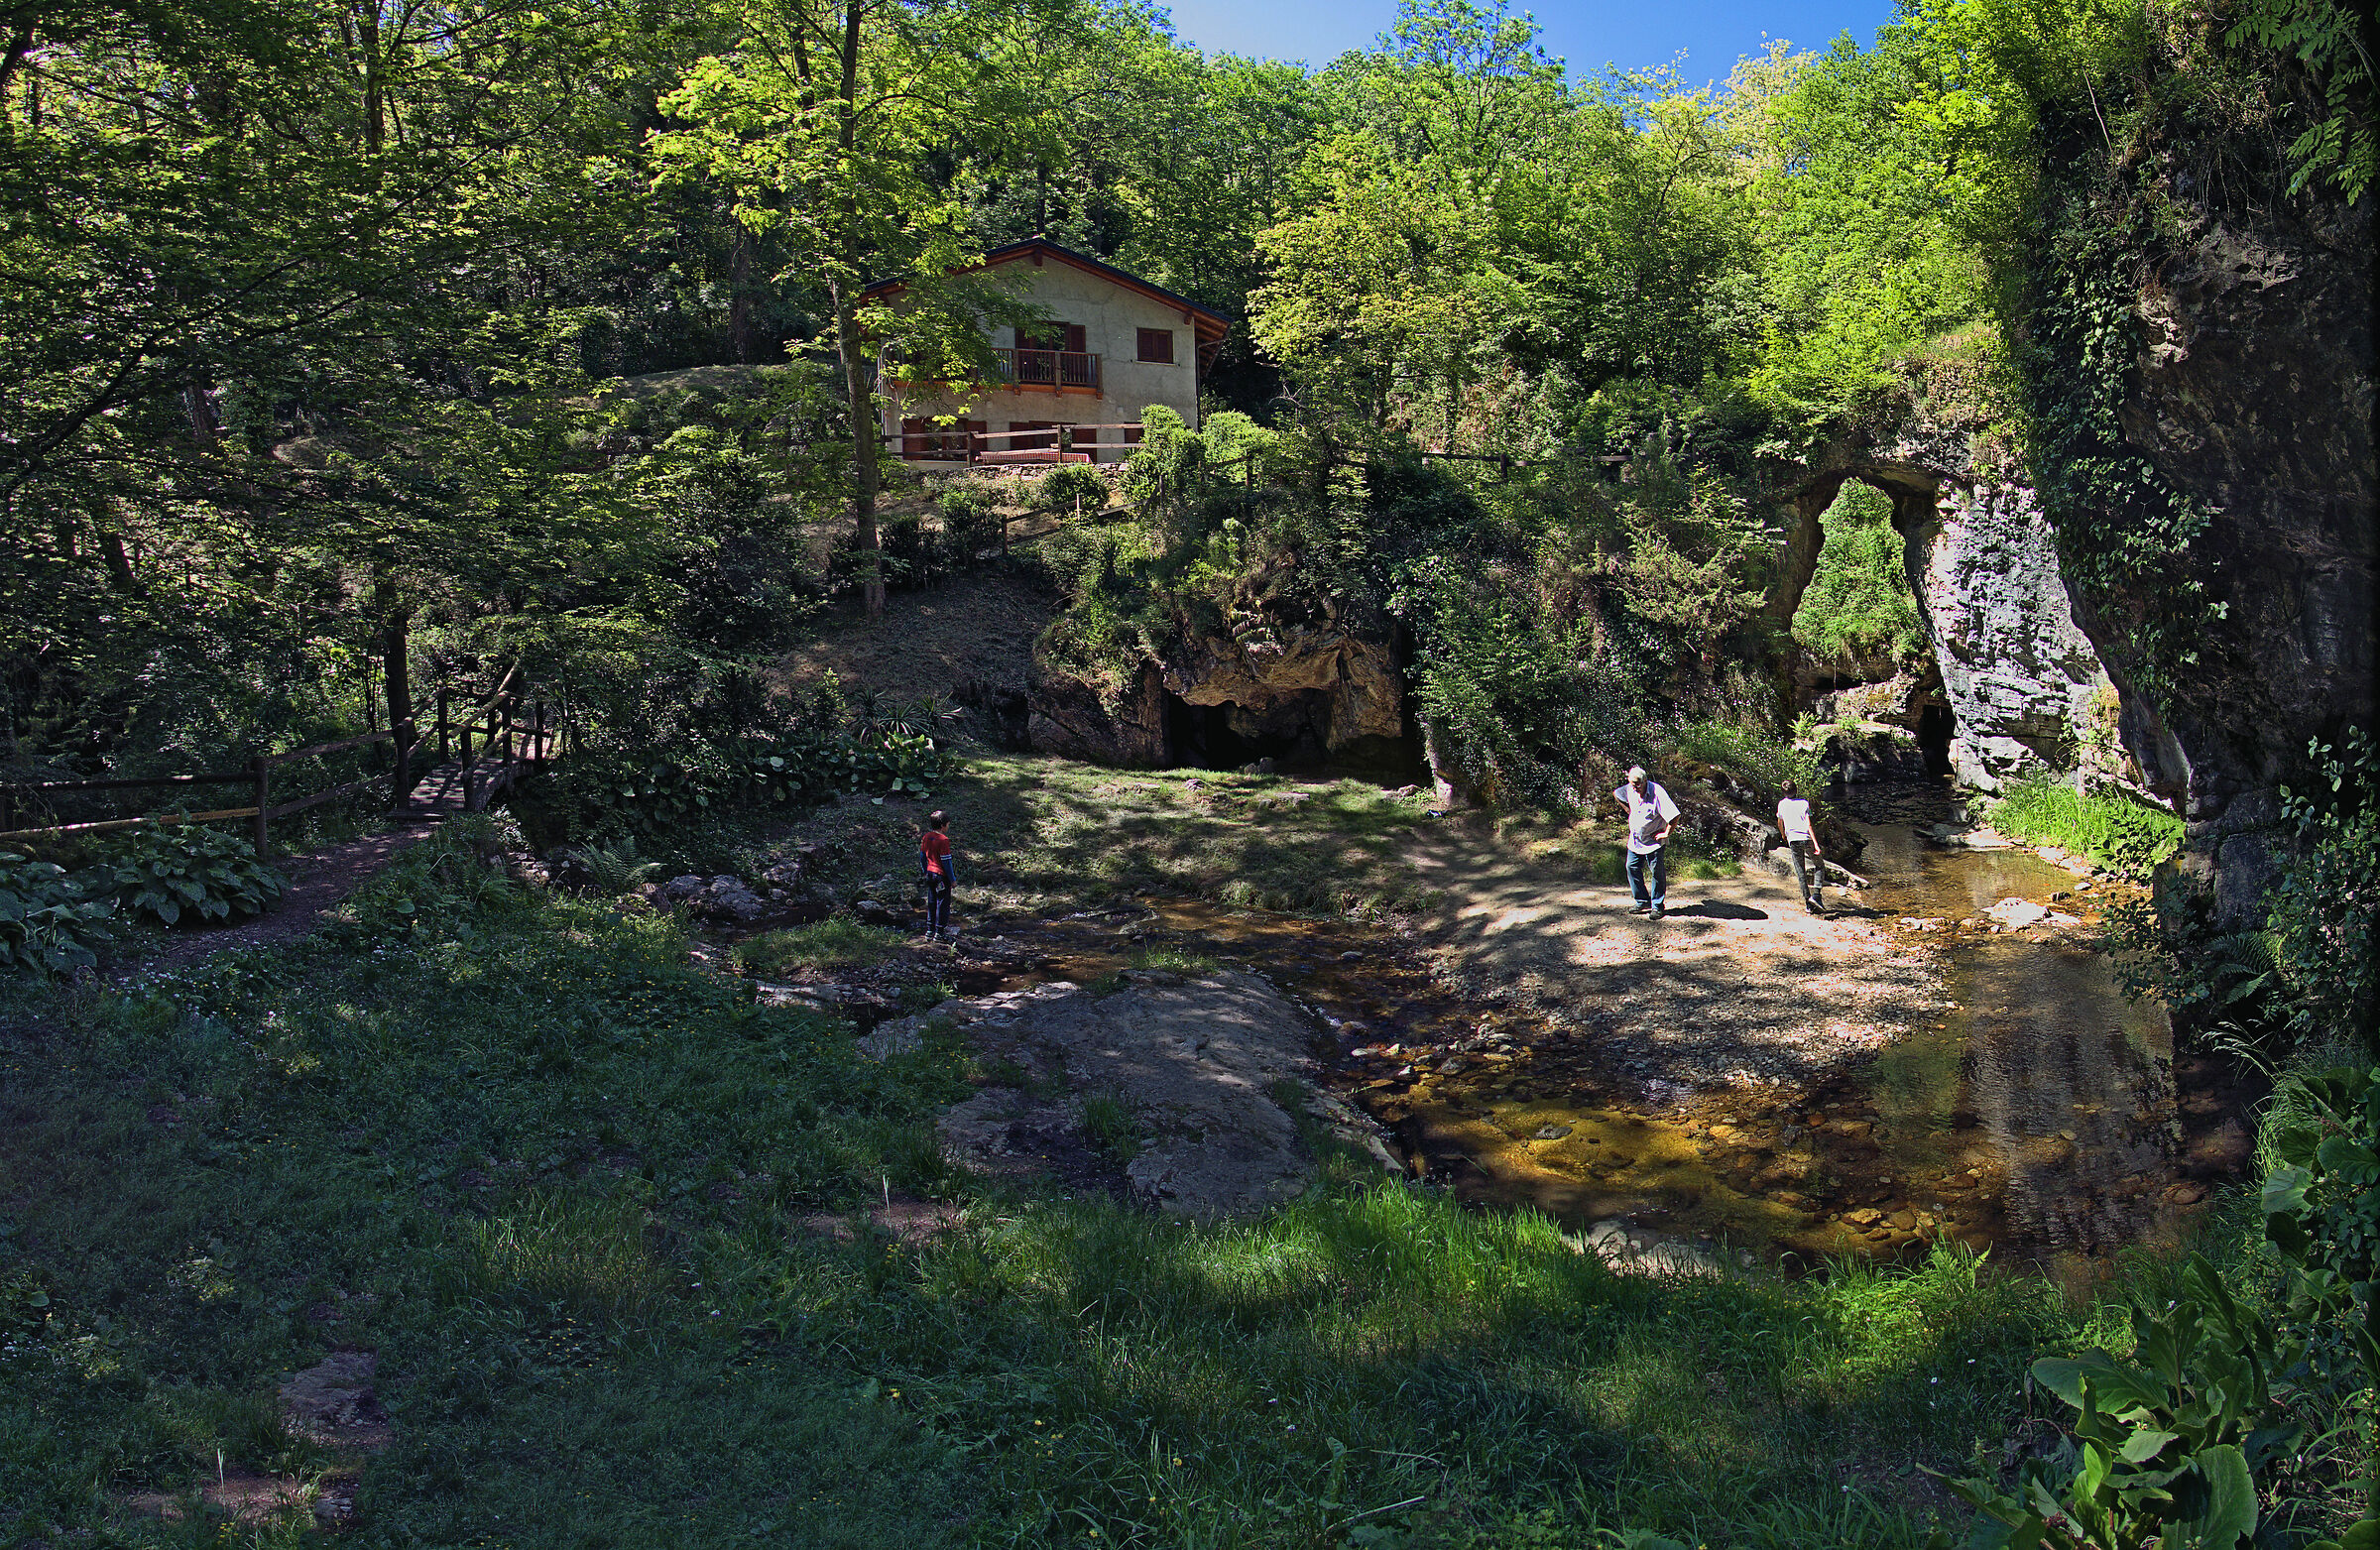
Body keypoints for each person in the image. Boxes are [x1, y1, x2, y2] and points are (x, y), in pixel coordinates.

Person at [1614, 766, 1680, 919]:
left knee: (1657, 872)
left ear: (1645, 781)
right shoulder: (1630, 788)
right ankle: (1642, 900)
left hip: (1653, 842)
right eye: (1632, 784)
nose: (1635, 788)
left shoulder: (1658, 793)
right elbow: (1617, 793)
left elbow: (1674, 816)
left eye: (1637, 785)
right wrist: (1627, 810)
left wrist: (1666, 833)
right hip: (1635, 839)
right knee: (1631, 867)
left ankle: (1657, 906)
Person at [1776, 778, 1824, 912]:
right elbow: (1808, 825)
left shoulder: (1781, 804)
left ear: (1783, 792)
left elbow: (1780, 822)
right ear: (1796, 790)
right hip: (1806, 838)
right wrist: (1816, 844)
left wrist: (1783, 835)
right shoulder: (1803, 803)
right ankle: (1817, 895)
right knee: (1819, 865)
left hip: (1793, 840)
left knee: (1800, 871)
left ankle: (1808, 903)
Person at [918, 810, 956, 940]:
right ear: (942, 825)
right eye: (948, 824)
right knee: (943, 903)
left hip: (930, 874)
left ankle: (930, 930)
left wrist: (925, 871)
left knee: (932, 901)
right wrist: (952, 879)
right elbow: (946, 862)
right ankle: (939, 932)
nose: (948, 827)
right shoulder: (943, 840)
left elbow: (922, 857)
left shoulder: (926, 837)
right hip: (941, 876)